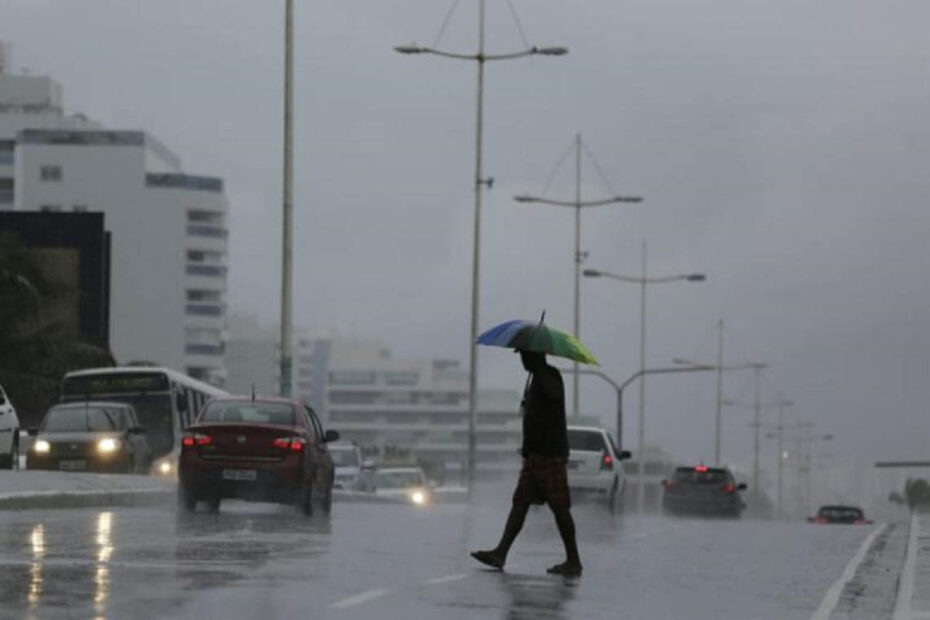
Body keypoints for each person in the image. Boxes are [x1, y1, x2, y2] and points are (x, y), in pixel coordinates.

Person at [471, 349, 582, 577]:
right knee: (519, 503)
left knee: (560, 508)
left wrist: (540, 373)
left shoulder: (549, 376)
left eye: (524, 355)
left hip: (550, 454)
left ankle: (573, 560)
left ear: (535, 356)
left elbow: (554, 396)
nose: (521, 360)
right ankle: (500, 553)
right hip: (534, 455)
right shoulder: (534, 380)